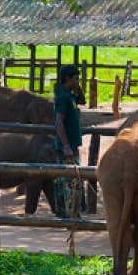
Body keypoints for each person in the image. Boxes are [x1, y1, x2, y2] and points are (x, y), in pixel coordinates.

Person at [52, 63, 85, 218]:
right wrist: (66, 146)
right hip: (67, 146)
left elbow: (83, 100)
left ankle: (71, 213)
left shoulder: (69, 95)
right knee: (70, 181)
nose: (78, 81)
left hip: (72, 144)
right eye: (76, 78)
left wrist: (77, 87)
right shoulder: (63, 97)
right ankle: (70, 214)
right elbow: (59, 122)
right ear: (67, 78)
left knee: (73, 179)